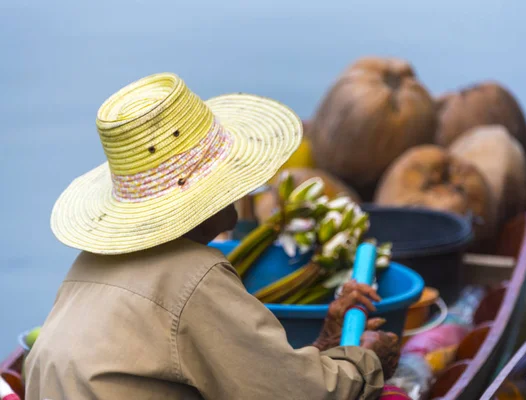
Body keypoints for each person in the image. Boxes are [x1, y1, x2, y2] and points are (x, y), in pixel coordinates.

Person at [24, 72, 401, 400]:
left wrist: (323, 346)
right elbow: (299, 396)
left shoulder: (86, 266)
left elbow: (255, 378)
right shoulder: (195, 275)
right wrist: (365, 362)